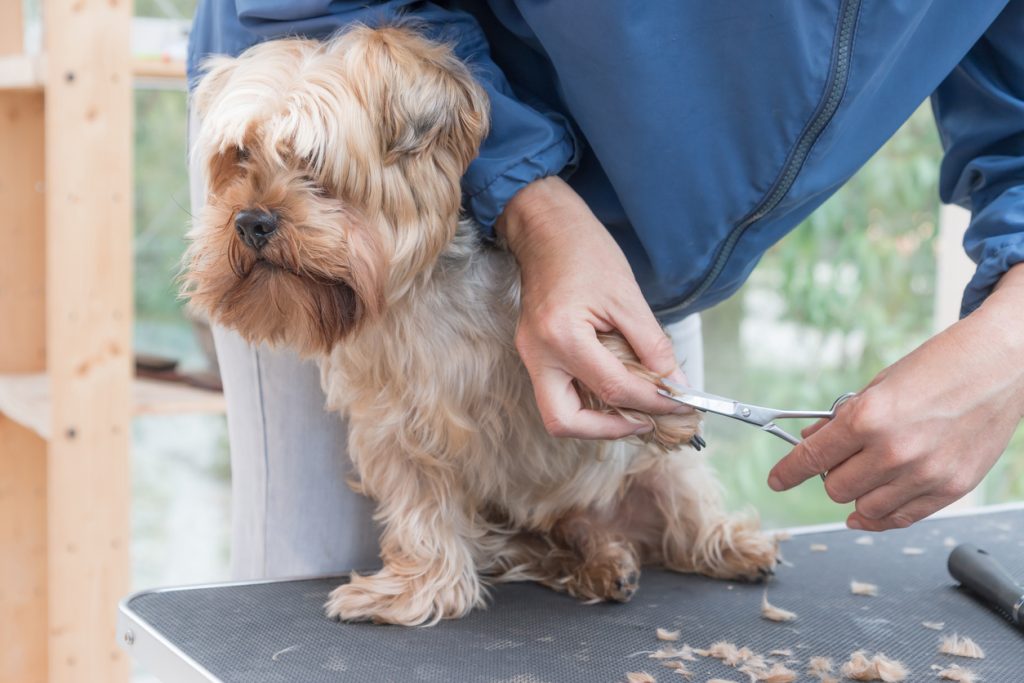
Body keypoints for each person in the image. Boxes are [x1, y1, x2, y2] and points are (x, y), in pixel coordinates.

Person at [187, 1, 1024, 579]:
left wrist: (1009, 344)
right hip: (359, 169)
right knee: (334, 590)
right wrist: (533, 199)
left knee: (647, 540)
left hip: (632, 252)